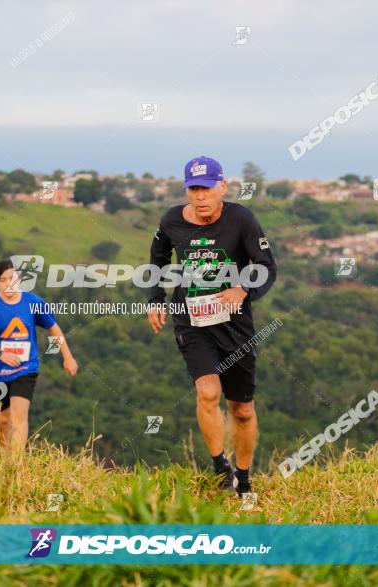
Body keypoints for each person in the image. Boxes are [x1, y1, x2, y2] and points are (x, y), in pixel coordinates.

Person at [147, 155, 277, 495]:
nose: (200, 196)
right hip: (191, 320)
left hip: (235, 325)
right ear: (186, 190)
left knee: (242, 409)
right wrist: (155, 299)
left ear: (222, 186)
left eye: (206, 189)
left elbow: (266, 265)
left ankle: (244, 479)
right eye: (194, 189)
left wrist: (243, 288)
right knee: (207, 392)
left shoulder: (242, 220)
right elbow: (158, 258)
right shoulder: (172, 220)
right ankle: (221, 466)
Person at [0, 259, 78, 451]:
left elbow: (54, 328)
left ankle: (16, 464)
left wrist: (68, 357)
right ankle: (2, 461)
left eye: (12, 278)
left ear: (19, 279)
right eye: (3, 280)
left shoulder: (33, 302)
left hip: (25, 368)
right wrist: (0, 354)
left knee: (18, 418)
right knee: (2, 424)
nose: (8, 283)